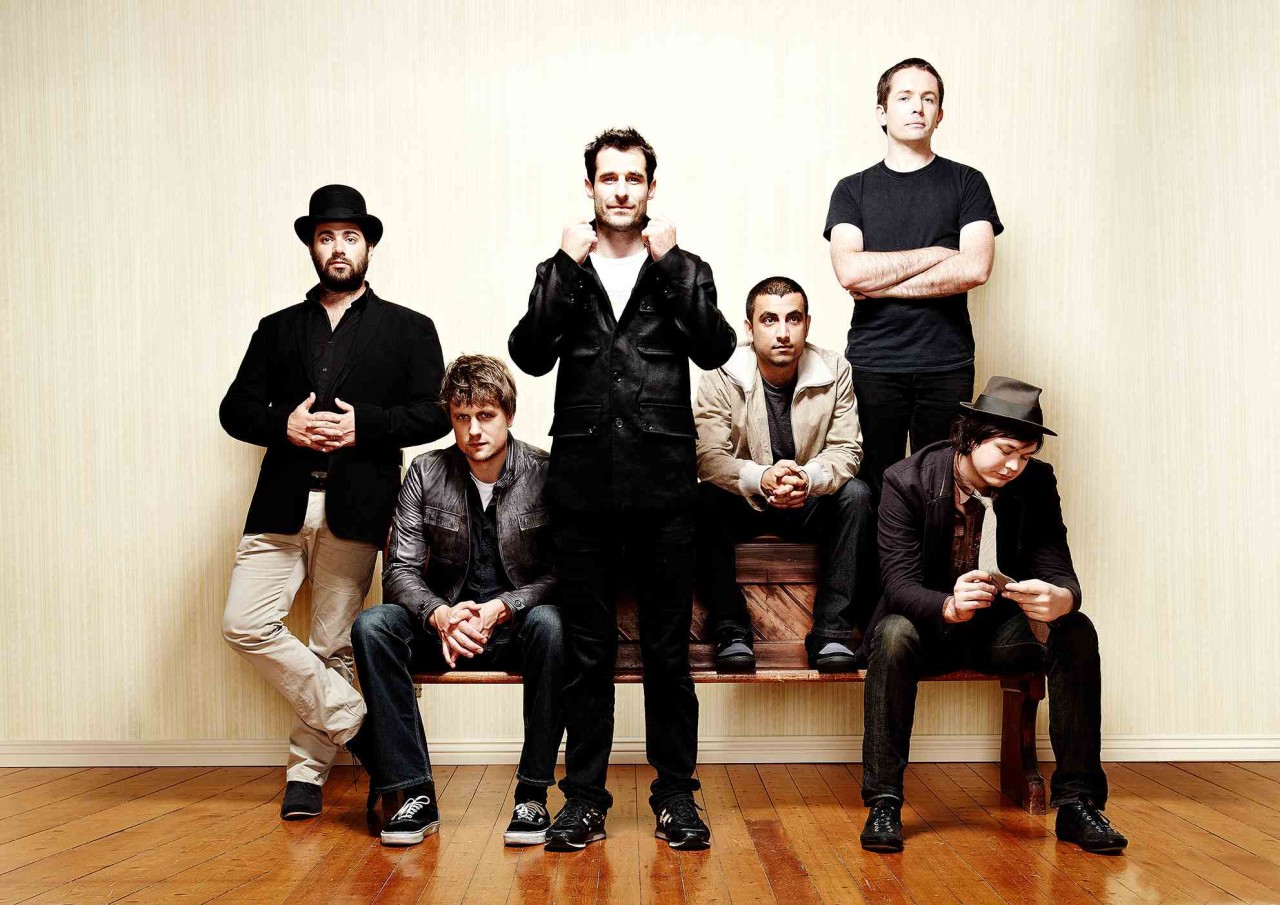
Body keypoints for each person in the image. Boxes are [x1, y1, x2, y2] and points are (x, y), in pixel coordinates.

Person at [509, 127, 737, 852]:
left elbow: (717, 347)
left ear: (650, 188)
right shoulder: (562, 269)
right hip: (581, 493)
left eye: (633, 178)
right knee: (588, 657)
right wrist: (563, 266)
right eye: (608, 178)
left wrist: (674, 265)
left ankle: (675, 797)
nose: (620, 190)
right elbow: (528, 353)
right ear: (590, 187)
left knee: (668, 655)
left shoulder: (683, 267)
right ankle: (583, 800)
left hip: (665, 490)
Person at [219, 184, 448, 820]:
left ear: (368, 246)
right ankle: (357, 721)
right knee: (245, 623)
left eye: (350, 236)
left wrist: (364, 426)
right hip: (281, 503)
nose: (338, 247)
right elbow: (234, 409)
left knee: (332, 644)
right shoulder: (276, 329)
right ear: (312, 247)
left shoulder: (409, 328)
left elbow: (434, 413)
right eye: (326, 237)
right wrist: (283, 425)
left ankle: (306, 773)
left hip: (358, 505)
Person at [858, 376, 1127, 855]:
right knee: (893, 634)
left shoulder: (1036, 482)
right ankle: (884, 802)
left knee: (1076, 630)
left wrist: (1062, 598)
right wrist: (947, 605)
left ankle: (1078, 803)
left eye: (1025, 455)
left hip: (998, 633)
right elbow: (897, 583)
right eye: (1006, 451)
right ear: (969, 437)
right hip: (927, 628)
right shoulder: (907, 479)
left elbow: (1057, 565)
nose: (1014, 466)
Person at [347, 354, 563, 847]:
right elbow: (399, 570)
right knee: (373, 626)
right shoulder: (426, 472)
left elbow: (562, 573)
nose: (474, 430)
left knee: (553, 624)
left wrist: (504, 607)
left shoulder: (546, 472)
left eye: (486, 415)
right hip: (444, 631)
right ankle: (414, 794)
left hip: (516, 628)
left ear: (509, 414)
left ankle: (532, 796)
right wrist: (440, 614)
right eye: (462, 417)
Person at [825, 58, 1003, 499]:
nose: (917, 107)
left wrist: (878, 282)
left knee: (940, 488)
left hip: (946, 361)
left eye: (929, 98)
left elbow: (975, 268)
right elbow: (849, 271)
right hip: (874, 361)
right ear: (882, 112)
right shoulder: (851, 189)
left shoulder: (967, 182)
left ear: (940, 114)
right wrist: (939, 255)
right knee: (874, 485)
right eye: (904, 97)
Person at [693, 276, 874, 672]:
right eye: (769, 320)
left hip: (809, 500)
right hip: (746, 501)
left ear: (807, 324)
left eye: (793, 319)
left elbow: (847, 448)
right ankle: (731, 629)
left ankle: (832, 633)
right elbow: (707, 456)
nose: (783, 333)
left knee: (857, 494)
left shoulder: (834, 368)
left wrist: (807, 479)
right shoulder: (721, 372)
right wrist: (761, 478)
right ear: (749, 328)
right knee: (699, 498)